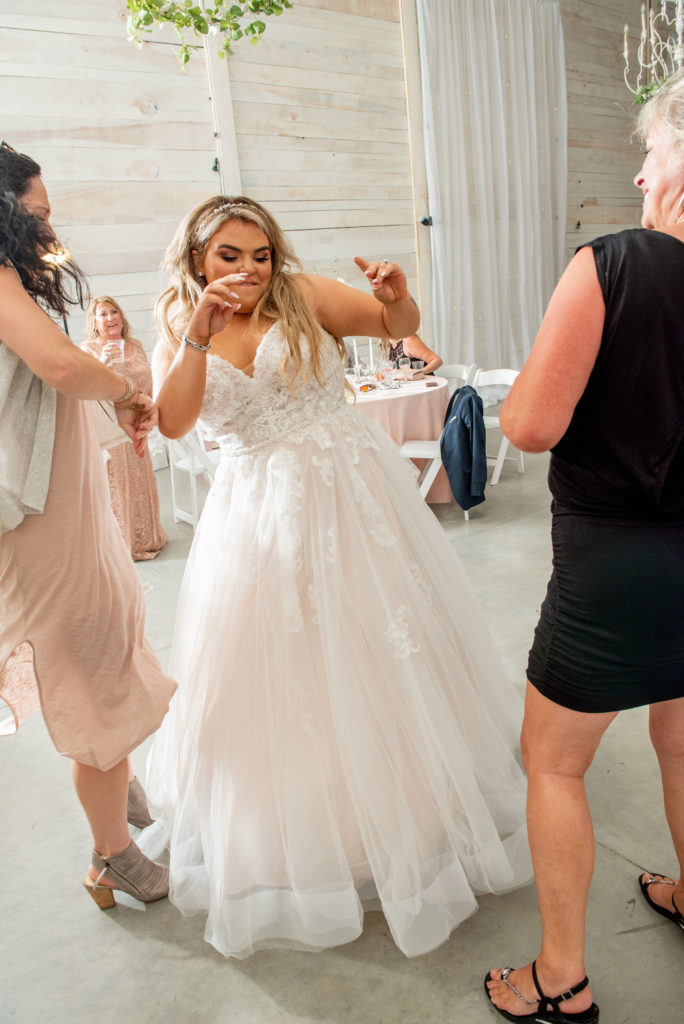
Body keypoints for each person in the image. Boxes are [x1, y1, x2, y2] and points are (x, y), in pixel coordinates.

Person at [140, 194, 532, 959]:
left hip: (348, 488)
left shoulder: (304, 292)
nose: (250, 270)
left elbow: (392, 326)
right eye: (230, 256)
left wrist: (398, 296)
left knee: (378, 640)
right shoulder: (171, 320)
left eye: (259, 254)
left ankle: (413, 810)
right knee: (276, 666)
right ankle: (313, 831)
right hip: (254, 509)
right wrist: (196, 335)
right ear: (196, 259)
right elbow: (176, 423)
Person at [485, 71, 684, 1024]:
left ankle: (560, 980)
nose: (639, 176)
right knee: (683, 741)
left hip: (616, 564)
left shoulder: (613, 262)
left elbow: (526, 424)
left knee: (555, 761)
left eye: (648, 156)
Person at [0, 143, 176, 909]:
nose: (47, 227)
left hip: (67, 505)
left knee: (111, 630)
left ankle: (118, 791)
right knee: (89, 671)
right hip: (40, 520)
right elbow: (63, 367)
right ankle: (112, 857)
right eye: (36, 212)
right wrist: (131, 394)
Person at [83, 297, 168, 561]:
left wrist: (153, 407)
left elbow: (150, 382)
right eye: (102, 314)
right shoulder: (89, 350)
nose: (110, 317)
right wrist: (104, 367)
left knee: (141, 480)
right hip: (112, 427)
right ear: (95, 324)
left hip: (139, 425)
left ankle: (147, 536)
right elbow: (89, 393)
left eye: (113, 311)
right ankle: (120, 544)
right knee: (117, 485)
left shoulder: (136, 346)